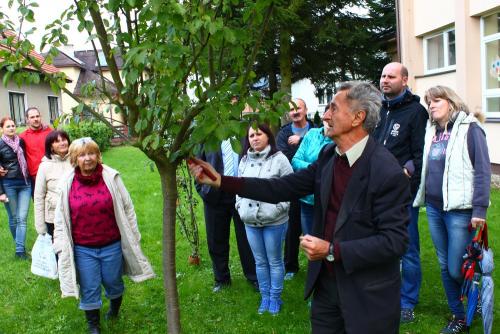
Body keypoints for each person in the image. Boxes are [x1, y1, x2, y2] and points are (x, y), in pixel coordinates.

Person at [189, 81, 410, 333]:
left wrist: (331, 250)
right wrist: (220, 180)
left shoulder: (386, 171)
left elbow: (395, 242)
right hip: (326, 288)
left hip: (368, 296)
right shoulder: (328, 157)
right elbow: (280, 187)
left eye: (333, 109)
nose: (325, 115)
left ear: (358, 117)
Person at [53, 137, 155, 334]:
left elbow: (127, 207)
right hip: (83, 247)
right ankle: (94, 325)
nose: (87, 158)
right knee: (89, 286)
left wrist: (134, 235)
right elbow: (60, 219)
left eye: (91, 153)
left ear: (98, 156)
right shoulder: (67, 183)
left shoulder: (111, 177)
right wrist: (59, 244)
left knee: (113, 281)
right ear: (74, 159)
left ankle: (114, 310)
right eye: (82, 155)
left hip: (111, 244)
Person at [413, 86, 491, 334]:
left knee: (458, 267)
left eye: (437, 100)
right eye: (429, 102)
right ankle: (459, 315)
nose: (432, 105)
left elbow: (483, 170)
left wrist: (479, 208)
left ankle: (474, 295)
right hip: (435, 209)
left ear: (451, 102)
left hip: (460, 211)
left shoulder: (470, 129)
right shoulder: (431, 131)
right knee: (445, 264)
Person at [373, 62, 428, 323]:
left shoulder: (416, 112)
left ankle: (407, 301)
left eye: (391, 76)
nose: (385, 80)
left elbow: (419, 155)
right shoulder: (377, 110)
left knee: (406, 249)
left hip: (401, 196)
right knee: (378, 245)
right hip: (374, 193)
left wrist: (408, 181)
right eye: (383, 76)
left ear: (404, 80)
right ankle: (383, 293)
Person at [236, 123, 293, 315]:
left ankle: (275, 298)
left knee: (274, 260)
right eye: (251, 135)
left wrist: (280, 207)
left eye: (259, 134)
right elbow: (239, 187)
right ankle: (265, 297)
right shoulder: (243, 160)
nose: (255, 138)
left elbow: (290, 188)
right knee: (259, 262)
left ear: (268, 136)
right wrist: (239, 206)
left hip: (274, 221)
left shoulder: (280, 160)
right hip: (250, 221)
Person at [195, 141, 257, 293]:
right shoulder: (208, 135)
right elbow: (197, 164)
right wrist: (204, 191)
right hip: (214, 195)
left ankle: (254, 276)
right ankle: (221, 279)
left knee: (247, 239)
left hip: (242, 193)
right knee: (216, 240)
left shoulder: (244, 133)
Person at [276, 98, 314, 280]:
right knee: (292, 227)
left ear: (306, 109)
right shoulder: (283, 134)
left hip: (315, 187)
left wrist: (301, 141)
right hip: (293, 186)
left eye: (299, 107)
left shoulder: (317, 130)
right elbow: (285, 160)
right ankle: (290, 267)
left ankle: (317, 264)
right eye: (291, 109)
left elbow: (324, 153)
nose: (295, 111)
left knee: (316, 227)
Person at [291, 106, 333, 235]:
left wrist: (310, 168)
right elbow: (295, 160)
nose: (329, 117)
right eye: (328, 112)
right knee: (310, 242)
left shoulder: (340, 138)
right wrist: (318, 168)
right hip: (307, 199)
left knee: (327, 244)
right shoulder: (312, 134)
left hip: (329, 201)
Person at [0, 117, 31, 259]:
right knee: (13, 218)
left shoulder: (21, 142)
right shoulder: (0, 144)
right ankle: (19, 244)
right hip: (8, 184)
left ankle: (20, 250)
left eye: (13, 125)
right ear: (2, 129)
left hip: (25, 183)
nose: (12, 128)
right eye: (8, 126)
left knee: (22, 218)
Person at [34, 130, 72, 238]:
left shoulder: (76, 161)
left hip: (76, 215)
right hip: (53, 217)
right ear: (51, 146)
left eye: (64, 140)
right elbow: (38, 197)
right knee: (58, 251)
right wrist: (40, 226)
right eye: (57, 141)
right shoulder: (44, 166)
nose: (62, 143)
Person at [19, 107, 52, 195]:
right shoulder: (22, 137)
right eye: (32, 117)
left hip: (51, 175)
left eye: (37, 116)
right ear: (27, 119)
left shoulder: (50, 132)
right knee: (39, 206)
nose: (36, 119)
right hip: (35, 178)